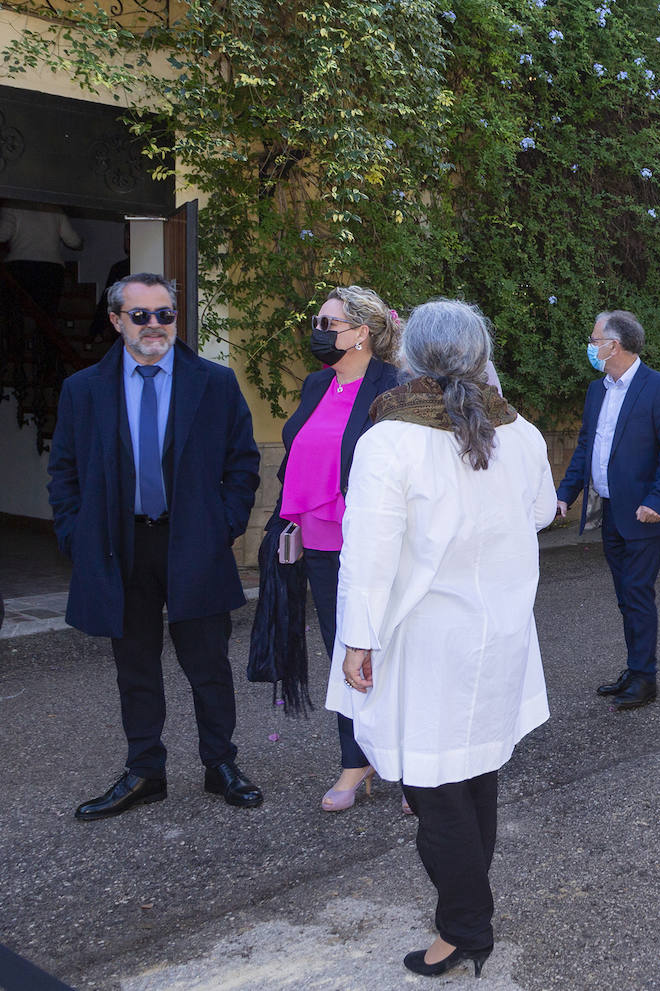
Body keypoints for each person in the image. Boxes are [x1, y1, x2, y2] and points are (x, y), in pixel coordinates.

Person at [326, 299, 555, 978]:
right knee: (474, 771)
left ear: (410, 355)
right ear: (481, 353)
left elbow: (365, 553)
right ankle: (468, 913)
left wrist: (357, 641)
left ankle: (464, 926)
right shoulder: (519, 431)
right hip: (498, 630)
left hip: (428, 639)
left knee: (435, 787)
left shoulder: (391, 438)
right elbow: (541, 510)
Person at [48, 273, 262, 819]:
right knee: (134, 666)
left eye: (165, 314)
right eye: (140, 315)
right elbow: (65, 471)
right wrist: (76, 535)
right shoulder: (83, 389)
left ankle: (221, 765)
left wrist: (224, 525)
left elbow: (242, 461)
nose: (154, 326)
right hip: (120, 548)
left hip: (193, 542)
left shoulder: (213, 382)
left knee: (208, 663)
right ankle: (145, 771)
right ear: (117, 320)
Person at [277, 286, 403, 811]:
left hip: (376, 544)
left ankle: (412, 765)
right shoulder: (315, 384)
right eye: (319, 322)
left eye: (329, 324)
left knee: (393, 652)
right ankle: (356, 760)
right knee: (342, 654)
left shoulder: (394, 386)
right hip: (323, 542)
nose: (319, 332)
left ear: (361, 333)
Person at [556, 310, 660, 710]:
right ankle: (635, 667)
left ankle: (645, 678)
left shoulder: (659, 388)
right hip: (610, 509)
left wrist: (656, 501)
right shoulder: (598, 390)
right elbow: (585, 446)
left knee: (637, 594)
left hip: (644, 513)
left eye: (595, 340)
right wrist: (564, 494)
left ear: (614, 345)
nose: (591, 347)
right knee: (625, 596)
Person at [0, 202, 82, 316]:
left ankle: (16, 332)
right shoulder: (55, 209)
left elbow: (3, 234)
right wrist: (81, 244)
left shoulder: (12, 206)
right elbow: (74, 241)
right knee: (46, 314)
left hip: (20, 266)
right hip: (51, 268)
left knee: (14, 310)